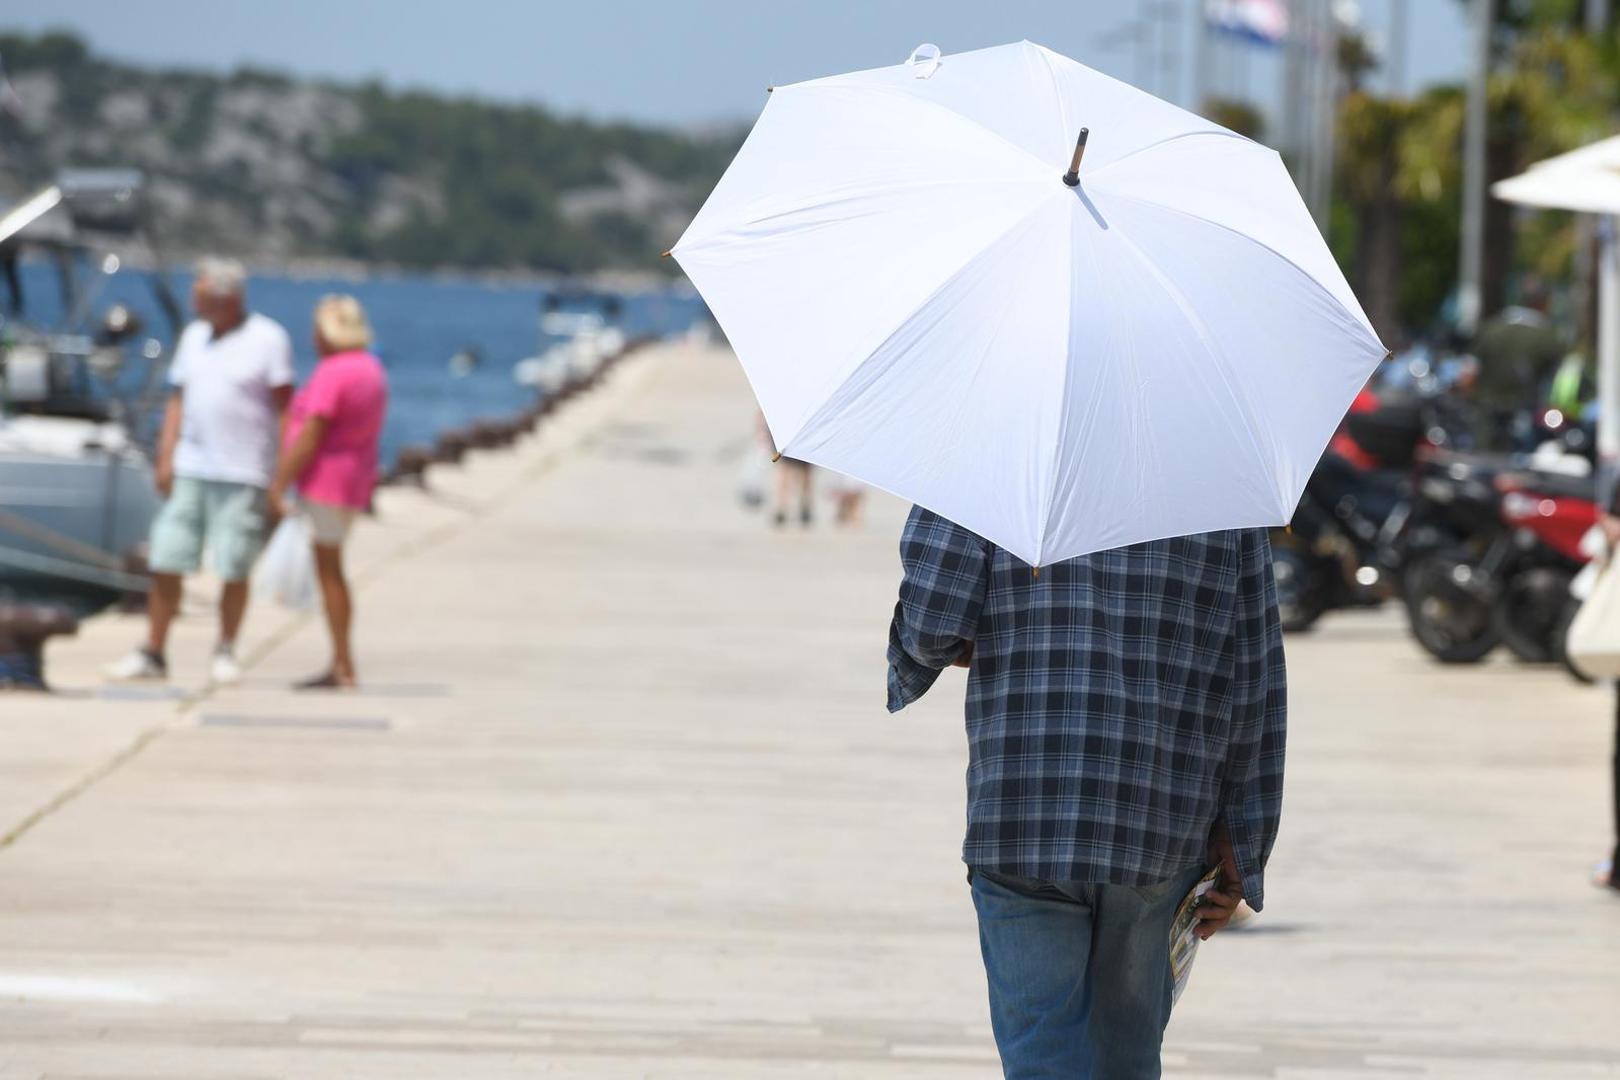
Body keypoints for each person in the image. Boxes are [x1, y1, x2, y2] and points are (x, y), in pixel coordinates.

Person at [887, 508, 1285, 1079]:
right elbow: (1255, 669)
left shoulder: (997, 446)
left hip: (1023, 808)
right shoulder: (1216, 476)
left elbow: (931, 626)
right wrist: (1247, 841)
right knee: (1127, 1058)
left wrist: (979, 632)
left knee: (1043, 1059)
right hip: (1159, 817)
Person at [108, 258, 293, 684]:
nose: (193, 302)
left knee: (234, 564)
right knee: (166, 557)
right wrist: (165, 454)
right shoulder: (193, 336)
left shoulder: (269, 339)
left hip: (244, 470)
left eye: (201, 295)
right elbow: (178, 398)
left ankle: (225, 649)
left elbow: (286, 409)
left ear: (227, 299)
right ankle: (153, 651)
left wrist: (281, 475)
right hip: (192, 466)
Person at [267, 295, 387, 690]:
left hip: (327, 483)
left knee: (330, 571)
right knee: (333, 568)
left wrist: (280, 481)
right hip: (356, 479)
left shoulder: (333, 372)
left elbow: (310, 436)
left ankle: (343, 663)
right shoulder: (371, 369)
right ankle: (341, 660)